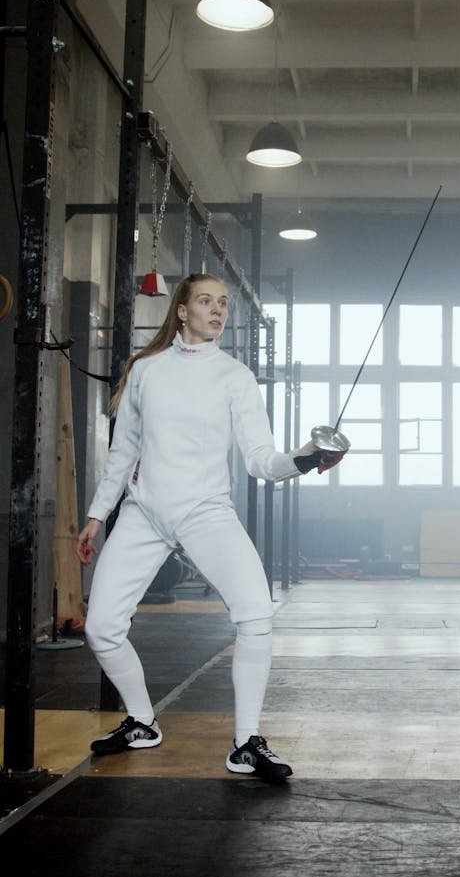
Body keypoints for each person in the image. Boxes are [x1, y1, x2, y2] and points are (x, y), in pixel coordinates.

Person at [76, 272, 343, 784]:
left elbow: (261, 460)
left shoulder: (234, 377)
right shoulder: (146, 370)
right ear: (182, 310)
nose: (218, 310)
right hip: (143, 513)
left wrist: (305, 457)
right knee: (101, 628)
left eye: (223, 303)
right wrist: (96, 515)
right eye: (206, 301)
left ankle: (246, 743)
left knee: (255, 614)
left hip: (206, 511)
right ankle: (142, 721)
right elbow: (123, 452)